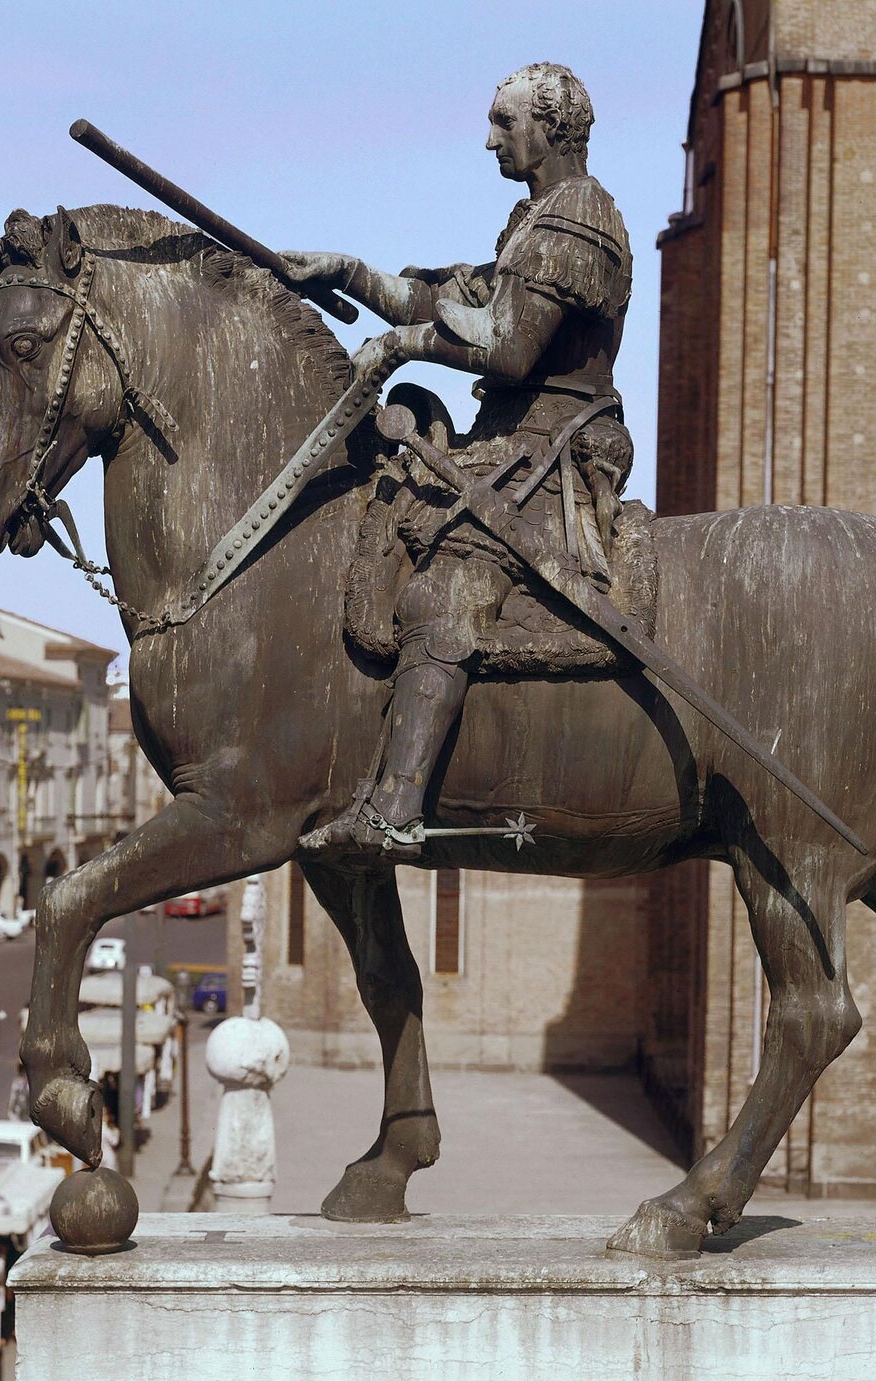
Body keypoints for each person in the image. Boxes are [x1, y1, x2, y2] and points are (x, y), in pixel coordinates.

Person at [286, 61, 633, 861]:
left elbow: (507, 349)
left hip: (555, 451)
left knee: (450, 584)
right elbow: (447, 297)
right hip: (517, 444)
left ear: (548, 129)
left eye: (502, 123)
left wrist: (401, 346)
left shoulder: (578, 217)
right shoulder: (536, 220)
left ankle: (393, 811)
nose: (489, 140)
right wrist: (346, 273)